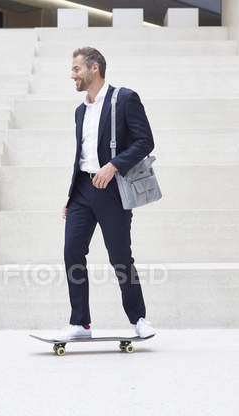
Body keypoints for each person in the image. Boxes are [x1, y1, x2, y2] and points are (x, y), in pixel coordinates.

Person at [54, 47, 156, 341]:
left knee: (120, 257)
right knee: (72, 251)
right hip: (82, 190)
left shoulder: (124, 99)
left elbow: (145, 141)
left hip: (112, 190)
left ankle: (139, 319)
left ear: (94, 68)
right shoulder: (80, 110)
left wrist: (113, 165)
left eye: (76, 69)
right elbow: (82, 156)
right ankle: (80, 323)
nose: (72, 74)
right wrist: (72, 194)